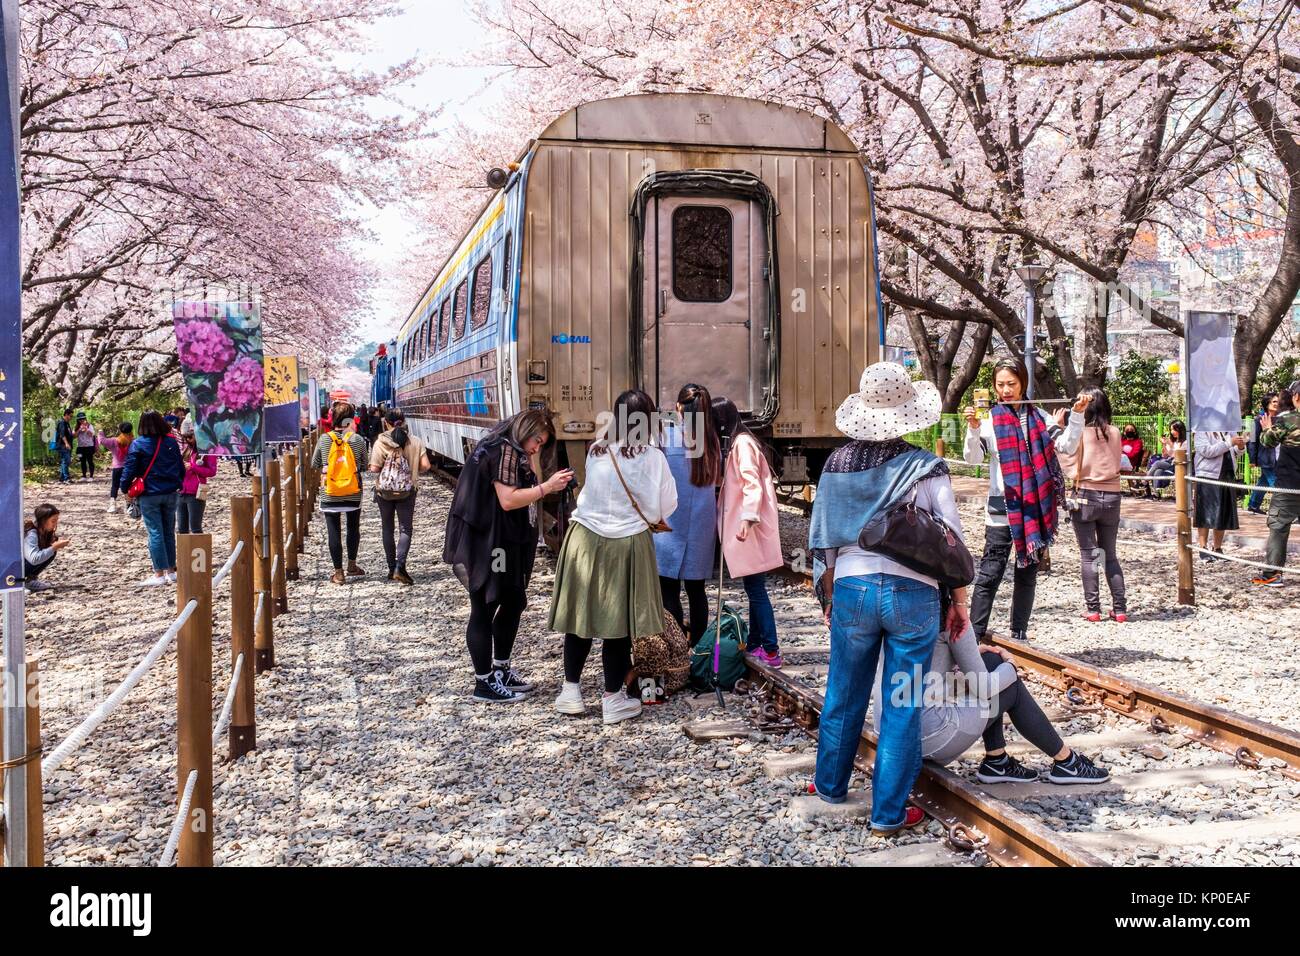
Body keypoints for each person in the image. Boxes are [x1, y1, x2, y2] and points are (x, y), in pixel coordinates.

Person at [807, 362, 967, 835]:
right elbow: (952, 543)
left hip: (853, 588)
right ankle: (888, 814)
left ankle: (830, 786)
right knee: (902, 703)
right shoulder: (926, 467)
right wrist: (957, 600)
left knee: (843, 692)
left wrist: (829, 593)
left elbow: (823, 539)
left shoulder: (834, 466)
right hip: (912, 594)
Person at [550, 389, 676, 724]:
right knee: (618, 626)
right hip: (626, 544)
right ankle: (612, 698)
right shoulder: (653, 457)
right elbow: (667, 506)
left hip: (584, 538)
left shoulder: (597, 449)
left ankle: (571, 692)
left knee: (581, 620)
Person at [869, 628, 1109, 784]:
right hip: (931, 739)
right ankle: (1066, 762)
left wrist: (969, 655)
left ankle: (997, 761)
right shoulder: (951, 616)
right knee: (1007, 683)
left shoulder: (896, 605)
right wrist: (1012, 667)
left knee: (988, 661)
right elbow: (984, 687)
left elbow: (927, 670)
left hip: (890, 733)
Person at [444, 410, 571, 703]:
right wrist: (547, 487)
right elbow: (508, 499)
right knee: (486, 603)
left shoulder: (504, 447)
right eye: (537, 441)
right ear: (525, 430)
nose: (537, 448)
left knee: (513, 600)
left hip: (500, 538)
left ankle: (500, 669)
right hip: (489, 541)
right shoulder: (504, 451)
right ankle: (484, 681)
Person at [963, 355, 1086, 641]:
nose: (1006, 390)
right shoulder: (989, 419)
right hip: (1000, 510)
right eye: (1000, 384)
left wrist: (1077, 415)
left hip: (1032, 511)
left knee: (1027, 574)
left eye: (1011, 384)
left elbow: (1066, 446)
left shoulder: (1038, 416)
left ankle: (1019, 633)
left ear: (1023, 384)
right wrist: (972, 428)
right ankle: (974, 635)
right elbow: (973, 459)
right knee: (990, 574)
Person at [713, 396, 784, 665]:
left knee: (756, 591)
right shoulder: (743, 441)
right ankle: (756, 644)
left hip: (750, 530)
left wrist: (747, 519)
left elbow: (751, 484)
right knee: (754, 587)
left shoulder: (742, 444)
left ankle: (771, 649)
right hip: (750, 529)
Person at [1056, 387, 1128, 622]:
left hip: (1086, 496)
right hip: (1113, 497)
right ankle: (1119, 609)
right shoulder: (1115, 433)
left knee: (1089, 555)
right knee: (1110, 555)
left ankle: (1093, 608)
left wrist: (1060, 428)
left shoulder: (1081, 434)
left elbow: (1063, 456)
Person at [656, 384, 720, 647]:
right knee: (697, 590)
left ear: (680, 407)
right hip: (701, 522)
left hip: (670, 519)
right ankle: (700, 648)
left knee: (668, 587)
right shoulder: (712, 439)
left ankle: (676, 647)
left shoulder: (666, 435)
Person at [120, 411, 184, 587]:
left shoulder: (138, 444)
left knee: (155, 532)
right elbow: (180, 466)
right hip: (171, 491)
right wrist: (177, 482)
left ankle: (159, 574)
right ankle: (171, 571)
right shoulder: (171, 442)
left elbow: (129, 469)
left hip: (149, 494)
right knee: (168, 531)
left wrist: (124, 488)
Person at [369, 409, 432, 584]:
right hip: (407, 491)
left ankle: (391, 569)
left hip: (384, 492)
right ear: (403, 421)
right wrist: (410, 469)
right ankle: (400, 566)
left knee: (387, 528)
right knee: (405, 529)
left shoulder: (380, 442)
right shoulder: (415, 441)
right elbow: (426, 465)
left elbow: (374, 468)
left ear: (386, 423)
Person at [310, 401, 370, 584]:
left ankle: (338, 573)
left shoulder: (324, 439)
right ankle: (352, 565)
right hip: (353, 491)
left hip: (331, 491)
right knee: (353, 528)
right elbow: (364, 466)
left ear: (333, 418)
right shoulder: (358, 440)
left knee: (333, 530)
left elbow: (314, 464)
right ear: (350, 419)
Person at [1254, 383, 1300, 587]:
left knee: (1279, 526)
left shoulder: (1288, 419)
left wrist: (1266, 429)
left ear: (1296, 397)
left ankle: (1272, 574)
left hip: (1289, 484)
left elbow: (1268, 441)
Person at [1193, 429, 1246, 561]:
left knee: (1223, 512)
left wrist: (1240, 446)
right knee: (1205, 512)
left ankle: (1217, 548)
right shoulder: (1202, 432)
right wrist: (1229, 443)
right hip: (1208, 475)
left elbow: (1236, 452)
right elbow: (1207, 451)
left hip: (1227, 474)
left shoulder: (1229, 431)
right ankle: (1203, 547)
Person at [176, 419, 218, 535]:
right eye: (186, 438)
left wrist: (193, 467)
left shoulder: (208, 450)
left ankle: (199, 550)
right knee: (181, 528)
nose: (188, 440)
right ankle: (184, 552)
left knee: (195, 528)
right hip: (181, 492)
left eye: (190, 437)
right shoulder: (187, 449)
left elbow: (211, 471)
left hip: (196, 493)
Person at [23, 504, 71, 592]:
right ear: (43, 520)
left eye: (56, 521)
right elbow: (34, 559)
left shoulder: (44, 532)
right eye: (53, 521)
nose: (55, 524)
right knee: (50, 550)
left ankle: (30, 580)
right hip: (12, 567)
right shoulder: (31, 534)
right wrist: (53, 547)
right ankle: (19, 583)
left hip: (23, 563)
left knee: (51, 552)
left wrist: (52, 547)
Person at [1247, 393, 1281, 515]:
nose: (1277, 404)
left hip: (1279, 458)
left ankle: (1253, 504)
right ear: (1267, 404)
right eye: (1274, 402)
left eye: (1278, 401)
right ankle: (1284, 511)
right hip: (1266, 459)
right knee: (1277, 485)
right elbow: (1252, 441)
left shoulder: (1280, 419)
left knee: (1264, 482)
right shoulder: (1257, 420)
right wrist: (1252, 459)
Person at [1146, 420, 1187, 496]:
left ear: (1180, 430)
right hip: (1169, 462)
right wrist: (1164, 445)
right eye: (1171, 429)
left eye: (1174, 429)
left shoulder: (1185, 442)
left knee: (1157, 463)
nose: (1172, 432)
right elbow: (1165, 456)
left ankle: (1144, 481)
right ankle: (1156, 494)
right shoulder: (1173, 441)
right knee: (1158, 471)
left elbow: (1177, 456)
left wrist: (1170, 444)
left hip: (1177, 465)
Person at [102, 422, 133, 513]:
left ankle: (113, 505)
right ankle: (129, 506)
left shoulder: (114, 441)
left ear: (120, 430)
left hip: (117, 467)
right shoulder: (133, 441)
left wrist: (100, 432)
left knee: (115, 485)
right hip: (129, 467)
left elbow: (102, 440)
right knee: (128, 486)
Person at [74, 412, 99, 481]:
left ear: (85, 419)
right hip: (80, 447)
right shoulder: (76, 426)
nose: (81, 420)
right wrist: (79, 429)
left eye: (83, 419)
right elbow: (74, 436)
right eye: (80, 419)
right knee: (82, 461)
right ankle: (84, 476)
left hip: (89, 446)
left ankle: (91, 476)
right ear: (78, 420)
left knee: (90, 461)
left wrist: (86, 428)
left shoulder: (90, 426)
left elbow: (92, 435)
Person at [55, 408, 75, 483]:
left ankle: (62, 478)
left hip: (66, 445)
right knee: (66, 461)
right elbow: (62, 434)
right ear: (66, 415)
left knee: (64, 461)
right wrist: (66, 443)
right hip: (63, 445)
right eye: (70, 416)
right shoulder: (62, 423)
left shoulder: (67, 423)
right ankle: (66, 478)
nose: (71, 418)